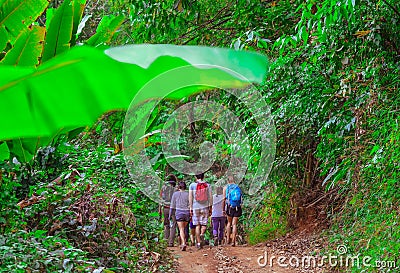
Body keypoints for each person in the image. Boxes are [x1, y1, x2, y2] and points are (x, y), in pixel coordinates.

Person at [189, 173, 213, 249]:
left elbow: (190, 197)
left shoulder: (192, 185)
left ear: (196, 177)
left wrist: (191, 207)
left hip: (195, 207)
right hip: (205, 206)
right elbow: (210, 197)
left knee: (197, 225)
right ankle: (202, 234)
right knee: (204, 224)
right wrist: (210, 207)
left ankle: (198, 242)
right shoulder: (207, 185)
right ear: (203, 177)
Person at [170, 181, 190, 251]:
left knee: (181, 229)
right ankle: (183, 242)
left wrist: (170, 215)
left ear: (179, 187)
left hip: (179, 212)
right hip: (187, 213)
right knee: (184, 228)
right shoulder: (188, 194)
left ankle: (183, 243)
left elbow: (172, 205)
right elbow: (190, 204)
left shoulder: (175, 194)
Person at [223, 176, 242, 247]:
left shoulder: (226, 188)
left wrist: (223, 210)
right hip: (237, 207)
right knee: (234, 224)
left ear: (228, 181)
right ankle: (233, 240)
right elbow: (241, 199)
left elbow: (224, 199)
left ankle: (228, 239)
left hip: (229, 207)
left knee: (229, 222)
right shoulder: (238, 187)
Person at [159, 174, 177, 247]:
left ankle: (166, 240)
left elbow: (160, 199)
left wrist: (159, 209)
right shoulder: (176, 189)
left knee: (166, 225)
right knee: (174, 225)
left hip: (165, 208)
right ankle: (171, 242)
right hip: (174, 208)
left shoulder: (163, 188)